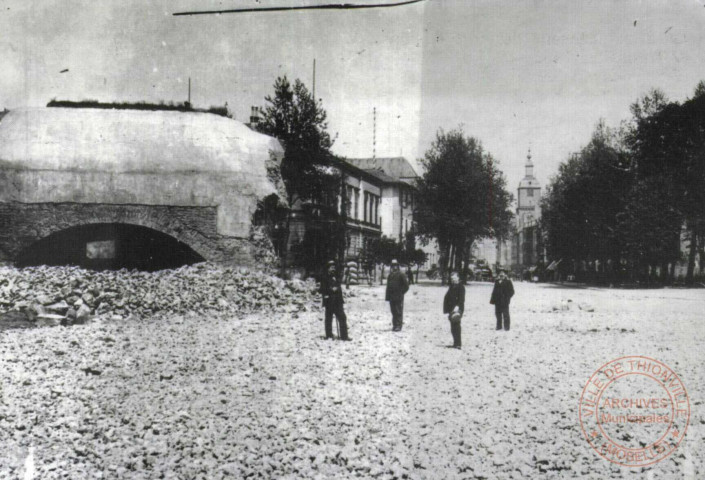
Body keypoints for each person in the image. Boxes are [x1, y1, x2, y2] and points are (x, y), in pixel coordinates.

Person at [320, 260, 351, 341]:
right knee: (328, 319)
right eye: (331, 267)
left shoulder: (337, 276)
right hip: (329, 302)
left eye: (334, 267)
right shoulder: (324, 277)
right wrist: (331, 289)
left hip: (338, 301)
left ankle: (344, 336)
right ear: (328, 268)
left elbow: (340, 285)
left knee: (342, 317)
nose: (333, 269)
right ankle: (329, 335)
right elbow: (322, 289)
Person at [443, 271, 465, 348]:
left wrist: (457, 306)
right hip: (451, 308)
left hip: (457, 308)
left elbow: (462, 299)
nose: (453, 280)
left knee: (456, 325)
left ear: (458, 278)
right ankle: (455, 343)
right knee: (453, 326)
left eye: (454, 278)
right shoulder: (452, 286)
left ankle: (458, 343)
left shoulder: (461, 286)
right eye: (452, 278)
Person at [385, 259, 409, 332]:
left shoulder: (401, 274)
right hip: (392, 296)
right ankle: (394, 325)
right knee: (393, 311)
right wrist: (387, 297)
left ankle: (399, 326)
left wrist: (401, 293)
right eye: (393, 266)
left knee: (398, 311)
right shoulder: (390, 275)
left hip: (398, 296)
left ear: (398, 266)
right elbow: (388, 286)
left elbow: (406, 286)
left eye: (395, 265)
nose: (394, 267)